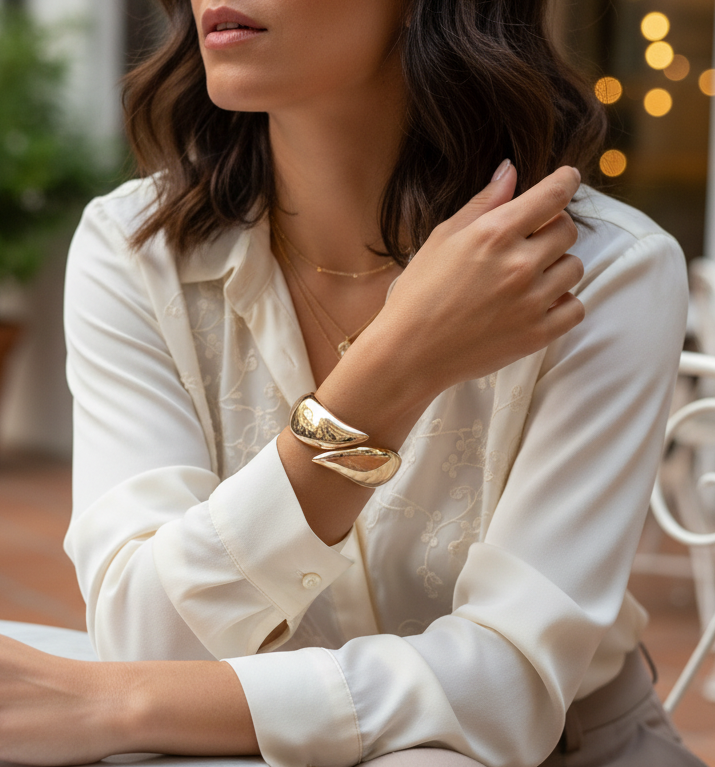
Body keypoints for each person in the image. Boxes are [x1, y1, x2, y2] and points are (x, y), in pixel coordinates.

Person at [0, 1, 705, 766]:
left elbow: (506, 691)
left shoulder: (601, 275)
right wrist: (382, 378)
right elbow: (144, 633)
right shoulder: (137, 249)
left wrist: (116, 704)